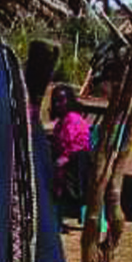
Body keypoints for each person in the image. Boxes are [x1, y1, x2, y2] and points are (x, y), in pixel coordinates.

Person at [49, 85, 91, 222]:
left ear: (70, 100)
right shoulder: (64, 120)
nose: (58, 104)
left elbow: (72, 145)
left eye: (62, 100)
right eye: (55, 101)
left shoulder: (72, 119)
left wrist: (60, 160)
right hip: (69, 160)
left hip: (75, 163)